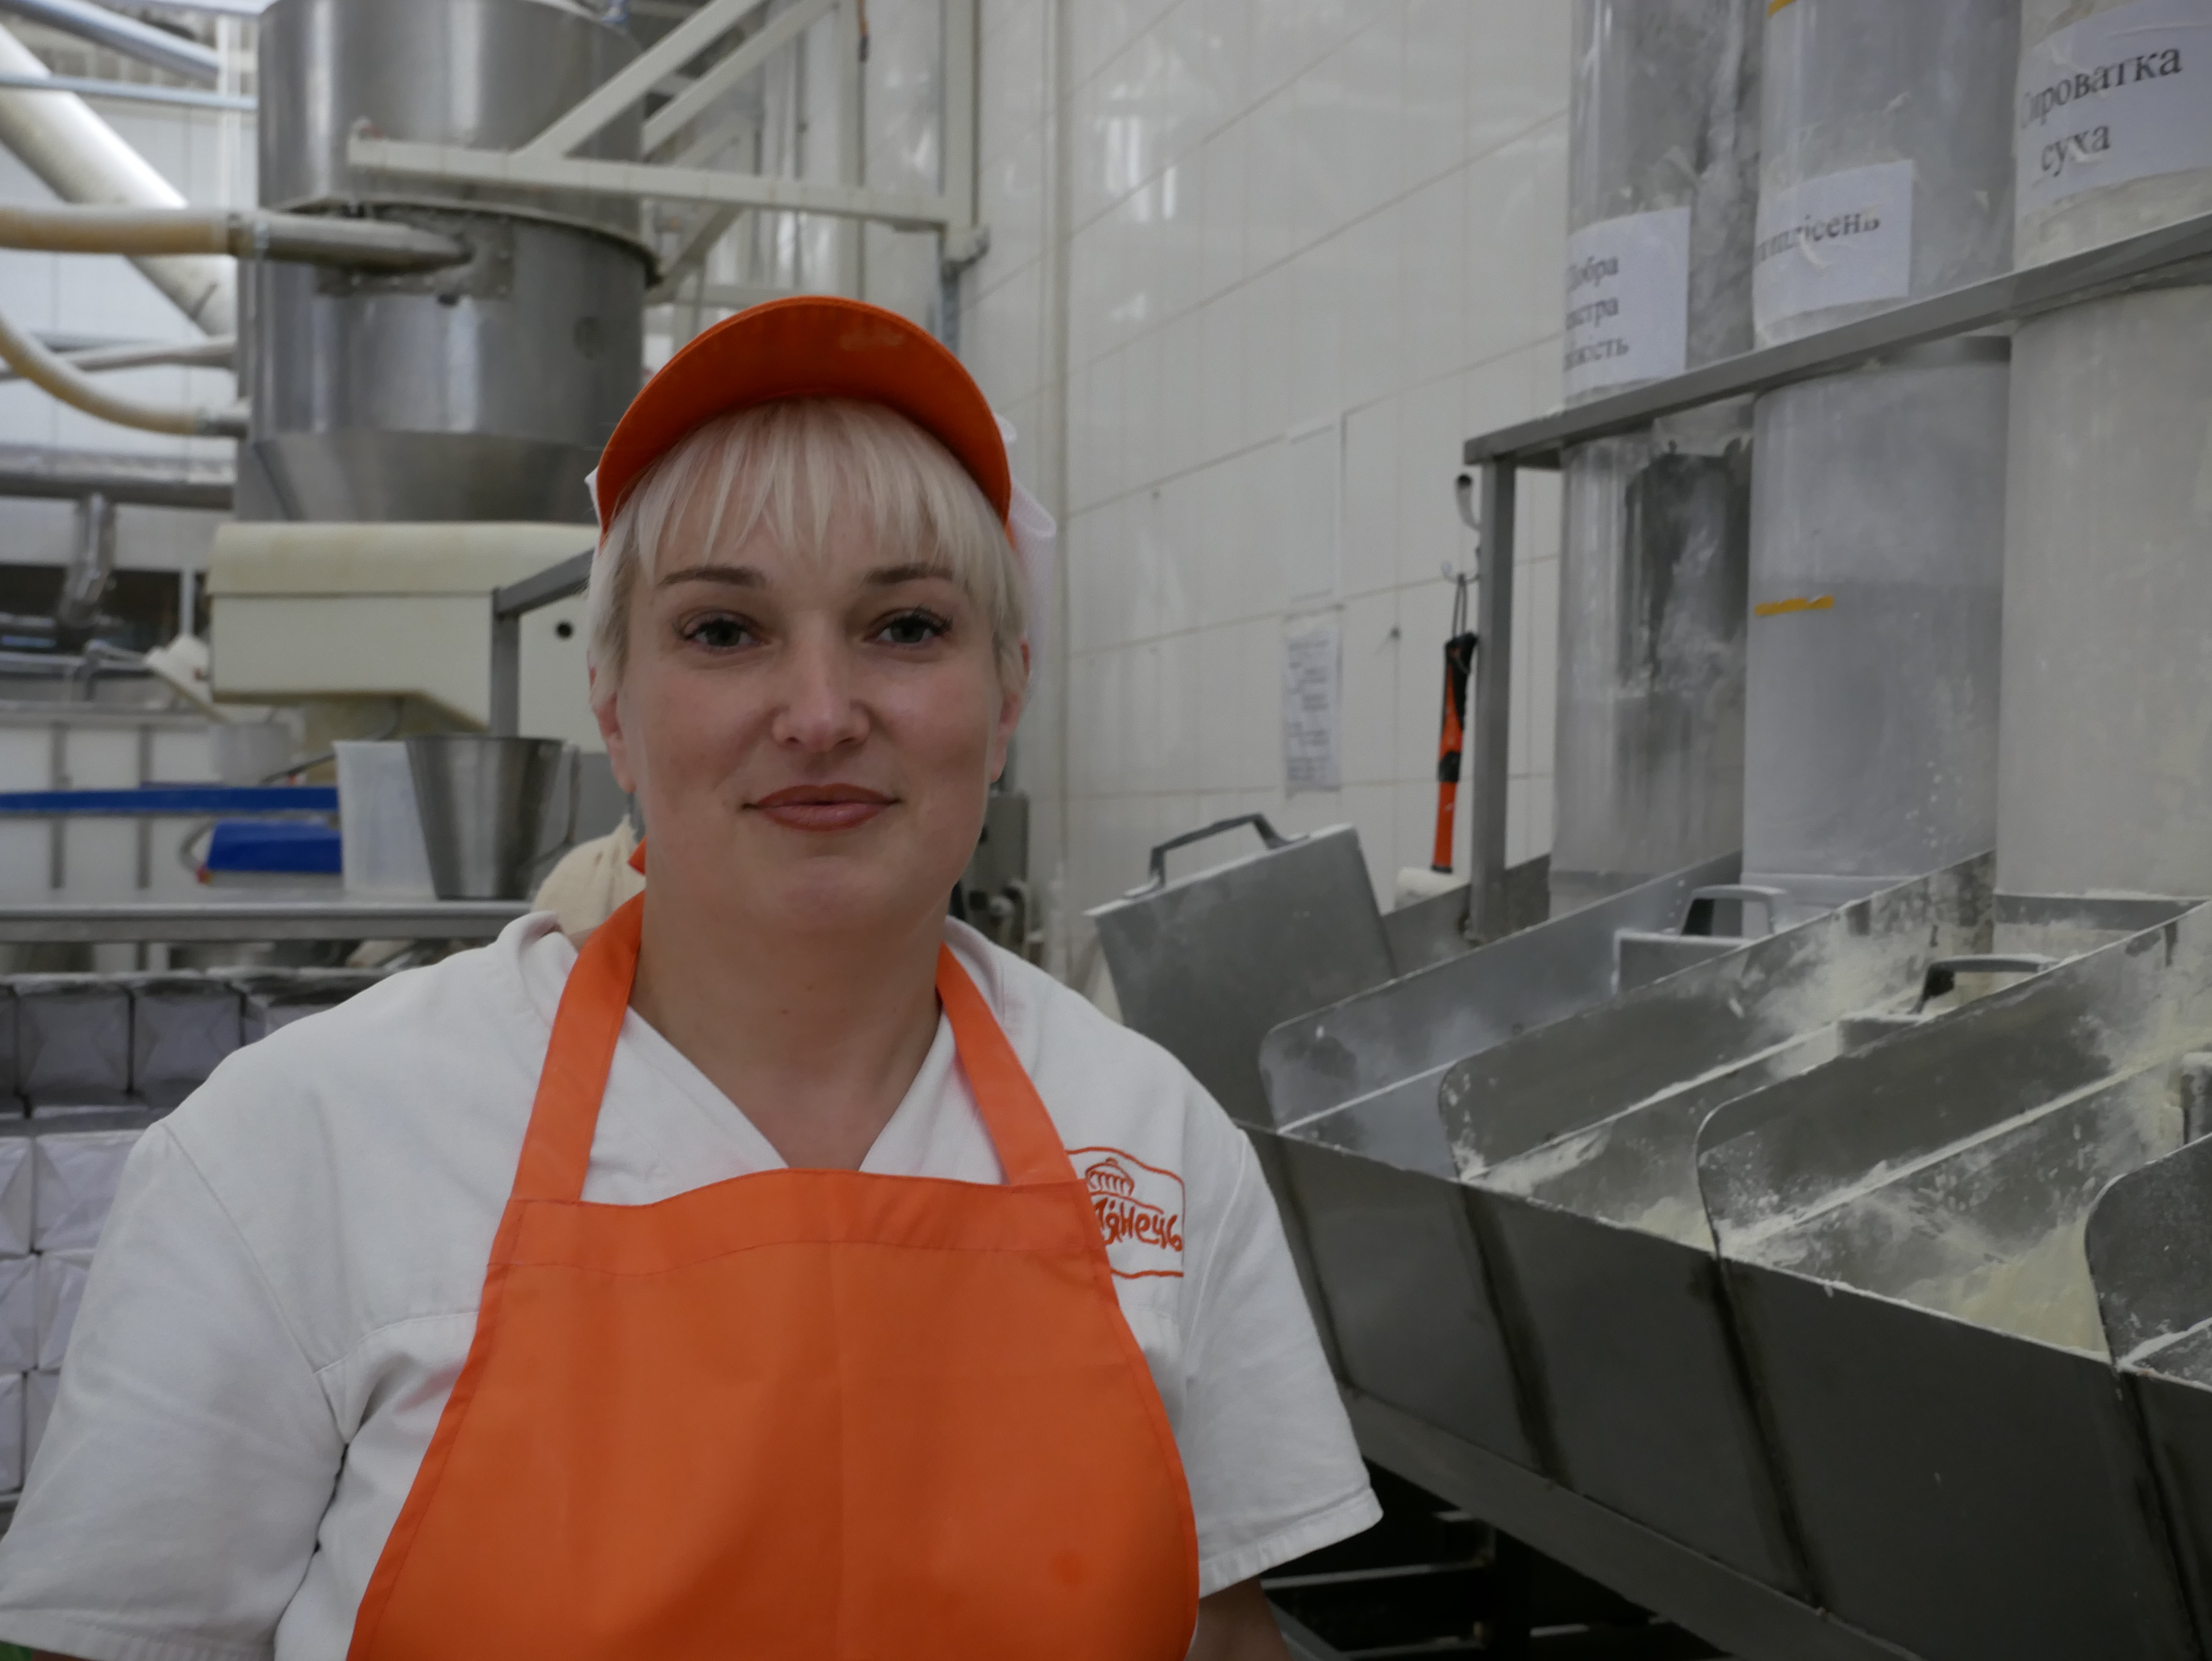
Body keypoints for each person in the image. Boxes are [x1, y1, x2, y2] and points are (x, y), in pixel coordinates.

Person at [0, 297, 1378, 1660]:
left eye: (906, 626)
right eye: (725, 631)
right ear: (612, 706)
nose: (822, 713)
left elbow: (1220, 1640)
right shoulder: (299, 1146)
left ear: (1008, 695)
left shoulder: (1156, 1139)